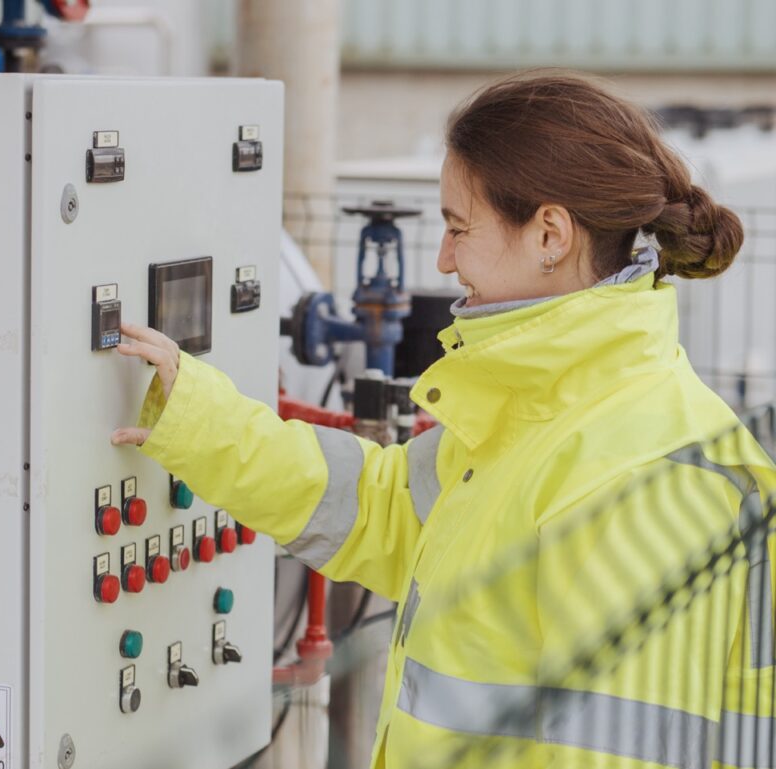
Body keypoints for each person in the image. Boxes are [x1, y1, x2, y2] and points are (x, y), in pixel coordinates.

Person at [111, 72, 776, 769]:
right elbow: (385, 509)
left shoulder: (638, 472)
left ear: (549, 234)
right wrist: (197, 416)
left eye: (459, 228)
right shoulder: (546, 406)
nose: (443, 258)